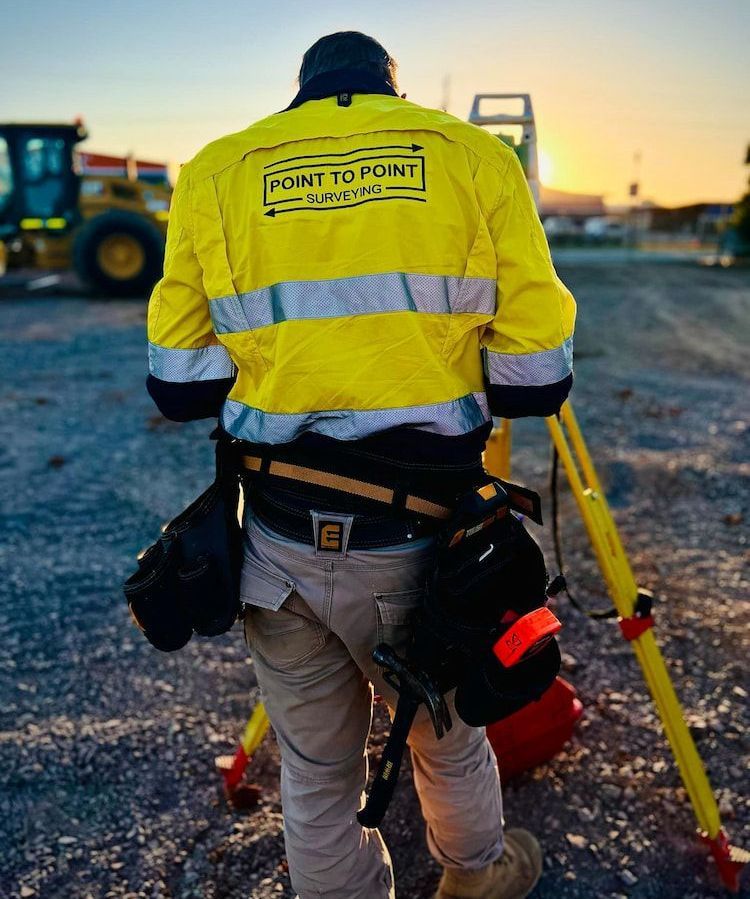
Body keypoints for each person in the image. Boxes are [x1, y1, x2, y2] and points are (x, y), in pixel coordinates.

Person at [146, 31, 575, 899]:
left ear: (304, 89)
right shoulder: (474, 158)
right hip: (421, 545)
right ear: (390, 86)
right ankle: (476, 877)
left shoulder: (218, 171)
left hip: (275, 541)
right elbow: (538, 379)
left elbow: (180, 382)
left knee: (313, 766)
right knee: (448, 735)